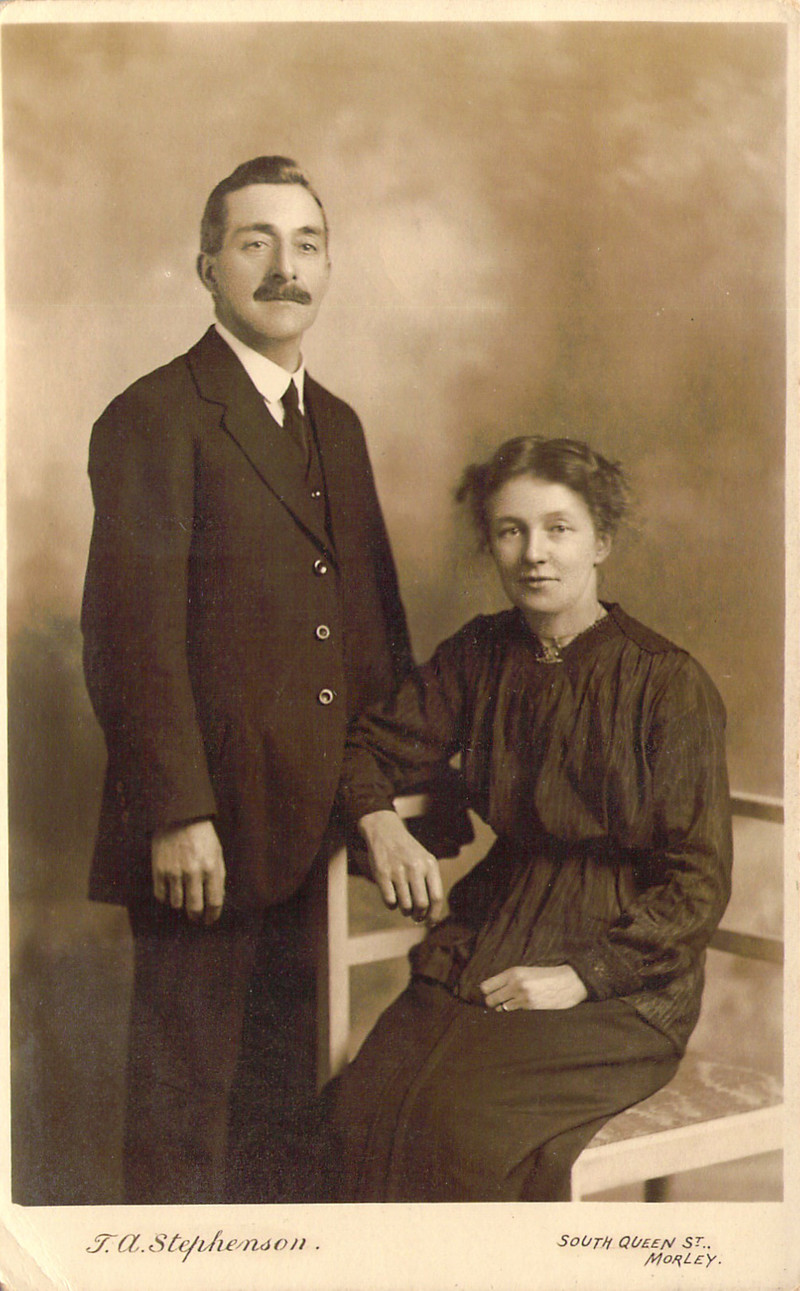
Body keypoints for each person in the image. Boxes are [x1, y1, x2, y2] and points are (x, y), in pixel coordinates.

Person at [81, 156, 413, 1204]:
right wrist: (176, 813)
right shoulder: (154, 414)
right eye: (254, 242)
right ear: (207, 268)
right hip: (206, 837)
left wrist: (382, 799)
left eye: (306, 244)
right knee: (184, 1110)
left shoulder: (337, 424)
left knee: (285, 1104)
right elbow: (128, 640)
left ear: (329, 268)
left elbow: (367, 630)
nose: (284, 267)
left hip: (312, 825)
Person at [322, 435, 732, 1202]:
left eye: (558, 528)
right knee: (356, 1111)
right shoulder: (479, 654)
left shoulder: (666, 682)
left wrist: (581, 977)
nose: (533, 553)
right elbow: (362, 747)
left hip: (625, 978)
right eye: (511, 530)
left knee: (462, 1132)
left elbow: (697, 884)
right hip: (493, 930)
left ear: (600, 541)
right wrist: (379, 822)